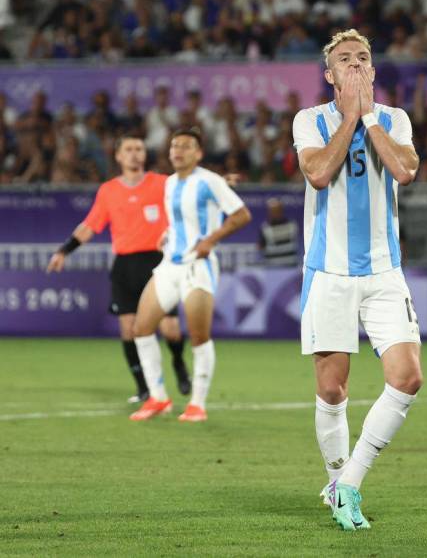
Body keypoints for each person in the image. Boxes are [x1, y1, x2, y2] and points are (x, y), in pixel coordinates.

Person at [292, 28, 422, 531]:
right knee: (331, 391)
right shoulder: (310, 120)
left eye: (362, 58)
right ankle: (335, 480)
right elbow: (319, 173)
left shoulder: (394, 119)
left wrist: (367, 116)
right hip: (329, 272)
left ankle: (350, 482)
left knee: (408, 377)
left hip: (385, 271)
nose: (353, 65)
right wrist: (349, 117)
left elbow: (405, 170)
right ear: (328, 74)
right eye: (343, 60)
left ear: (373, 69)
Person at [47, 135, 190, 403]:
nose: (135, 154)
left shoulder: (162, 183)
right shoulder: (108, 191)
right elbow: (89, 226)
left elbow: (190, 191)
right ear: (118, 156)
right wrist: (64, 250)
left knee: (170, 328)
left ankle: (179, 363)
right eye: (129, 149)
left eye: (139, 149)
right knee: (129, 329)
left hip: (157, 262)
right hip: (125, 266)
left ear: (144, 155)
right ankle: (143, 388)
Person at [129, 128, 251, 423]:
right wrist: (168, 233)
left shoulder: (209, 181)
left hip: (198, 265)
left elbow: (241, 215)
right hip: (170, 264)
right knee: (141, 328)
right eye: (174, 145)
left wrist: (211, 240)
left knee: (198, 335)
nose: (178, 150)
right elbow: (180, 220)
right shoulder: (170, 183)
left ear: (198, 153)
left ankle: (197, 404)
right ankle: (158, 398)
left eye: (185, 146)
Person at [257, 197, 299, 266]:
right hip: (273, 268)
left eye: (277, 210)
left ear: (281, 210)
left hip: (291, 266)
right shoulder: (264, 228)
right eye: (272, 211)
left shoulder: (292, 225)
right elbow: (261, 246)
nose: (274, 213)